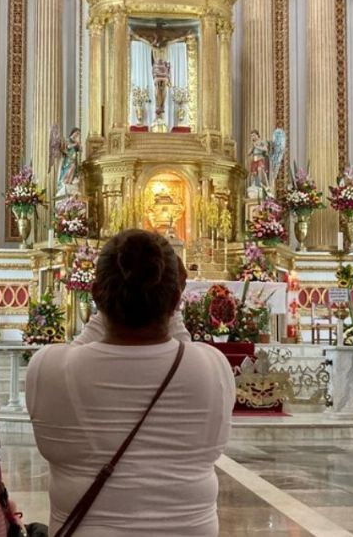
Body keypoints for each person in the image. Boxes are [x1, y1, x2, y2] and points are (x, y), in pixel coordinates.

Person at [26, 229, 235, 536]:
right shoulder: (214, 367)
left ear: (96, 295)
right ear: (178, 298)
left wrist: (110, 305)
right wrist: (169, 305)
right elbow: (183, 349)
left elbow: (80, 348)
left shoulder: (48, 367)